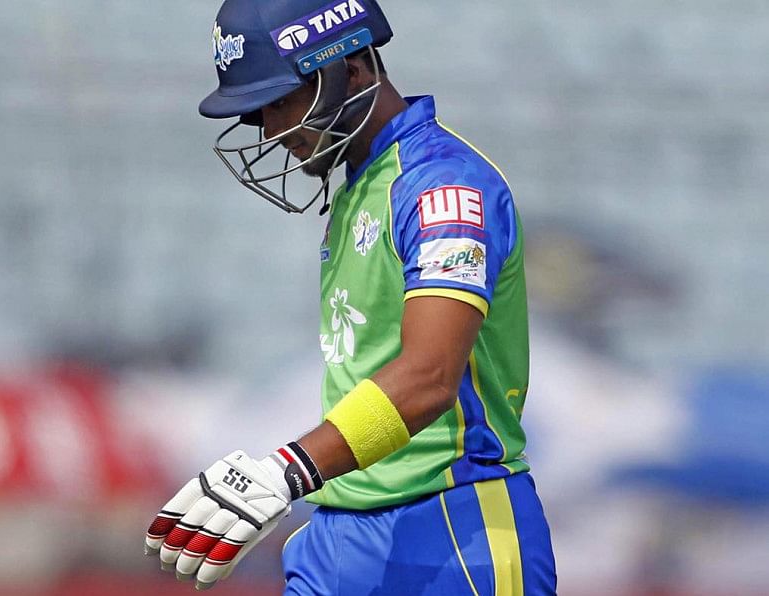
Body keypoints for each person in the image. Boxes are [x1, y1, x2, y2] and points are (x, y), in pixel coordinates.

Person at [144, 0, 557, 593]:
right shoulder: (360, 189)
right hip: (339, 532)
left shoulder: (442, 186)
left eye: (280, 102)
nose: (270, 131)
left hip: (451, 532)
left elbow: (429, 378)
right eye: (259, 112)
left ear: (353, 69)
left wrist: (284, 472)